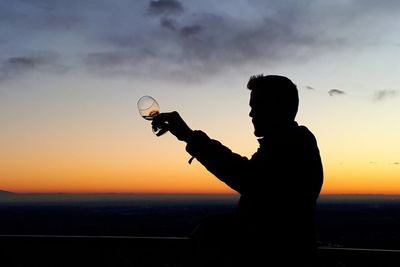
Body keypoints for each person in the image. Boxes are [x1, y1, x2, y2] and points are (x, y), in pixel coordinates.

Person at [152, 74, 324, 267]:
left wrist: (189, 137)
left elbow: (249, 179)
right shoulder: (286, 143)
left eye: (257, 105)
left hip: (281, 260)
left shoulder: (295, 144)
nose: (251, 114)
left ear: (280, 107)